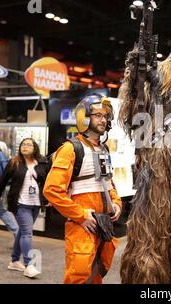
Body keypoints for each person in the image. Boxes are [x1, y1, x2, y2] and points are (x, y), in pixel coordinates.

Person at [44, 94, 122, 284]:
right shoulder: (71, 149)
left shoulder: (102, 150)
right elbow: (52, 190)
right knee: (78, 275)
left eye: (105, 116)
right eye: (97, 115)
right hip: (82, 225)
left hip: (103, 225)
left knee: (97, 274)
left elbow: (108, 182)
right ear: (84, 117)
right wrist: (81, 215)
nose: (103, 120)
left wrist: (117, 203)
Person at [0, 138, 48, 278]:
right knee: (27, 233)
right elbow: (2, 182)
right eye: (23, 144)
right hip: (20, 203)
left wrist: (48, 198)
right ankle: (29, 265)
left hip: (36, 203)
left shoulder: (42, 162)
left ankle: (14, 261)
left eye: (29, 144)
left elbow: (47, 181)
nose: (25, 147)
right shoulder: (14, 162)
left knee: (22, 232)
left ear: (35, 148)